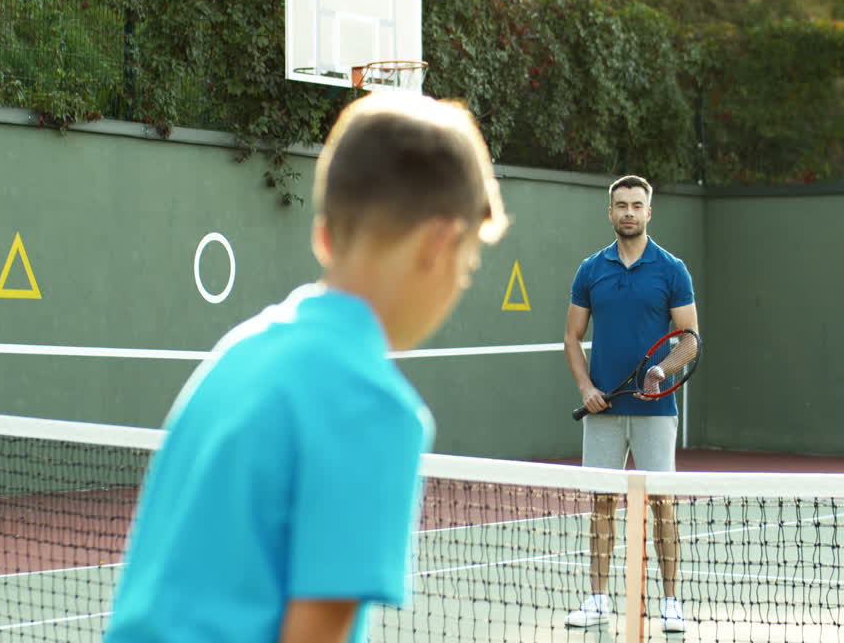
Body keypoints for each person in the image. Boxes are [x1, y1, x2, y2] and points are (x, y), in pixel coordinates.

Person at [104, 93, 508, 643]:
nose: (461, 282)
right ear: (440, 244)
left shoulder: (239, 354)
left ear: (324, 237)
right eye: (469, 262)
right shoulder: (374, 405)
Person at [561, 174, 698, 633]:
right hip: (603, 411)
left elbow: (690, 340)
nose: (629, 213)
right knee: (601, 504)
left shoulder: (672, 270)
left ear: (648, 212)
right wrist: (586, 388)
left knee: (663, 505)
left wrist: (662, 371)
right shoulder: (590, 270)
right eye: (621, 205)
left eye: (637, 206)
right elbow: (572, 337)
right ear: (610, 212)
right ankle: (597, 599)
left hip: (655, 410)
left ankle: (672, 603)